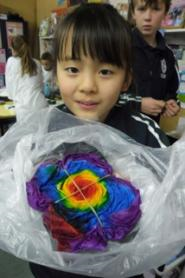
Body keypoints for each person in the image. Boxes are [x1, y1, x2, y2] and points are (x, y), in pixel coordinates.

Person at [29, 3, 170, 278]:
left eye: (105, 72)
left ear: (126, 78)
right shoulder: (43, 131)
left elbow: (173, 203)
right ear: (55, 72)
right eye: (72, 69)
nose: (87, 85)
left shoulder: (143, 135)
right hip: (53, 270)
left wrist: (139, 195)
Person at [120, 0, 180, 123]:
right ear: (133, 13)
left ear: (165, 14)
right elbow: (103, 95)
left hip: (151, 131)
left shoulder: (168, 55)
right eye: (141, 9)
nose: (147, 17)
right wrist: (138, 103)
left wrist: (171, 103)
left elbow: (172, 90)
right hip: (119, 132)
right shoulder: (120, 47)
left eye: (156, 9)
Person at [5, 35, 48, 122]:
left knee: (27, 135)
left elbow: (11, 93)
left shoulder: (11, 61)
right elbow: (41, 86)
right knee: (42, 134)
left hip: (24, 110)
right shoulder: (37, 63)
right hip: (41, 105)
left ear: (13, 49)